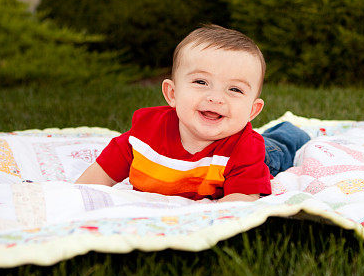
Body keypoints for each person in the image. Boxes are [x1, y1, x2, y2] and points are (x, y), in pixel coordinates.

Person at [76, 24, 310, 202]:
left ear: (252, 110)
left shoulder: (247, 150)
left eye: (235, 89)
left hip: (257, 155)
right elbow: (95, 179)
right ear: (172, 94)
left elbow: (239, 206)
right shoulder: (143, 135)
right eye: (201, 81)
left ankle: (292, 131)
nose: (216, 97)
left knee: (277, 147)